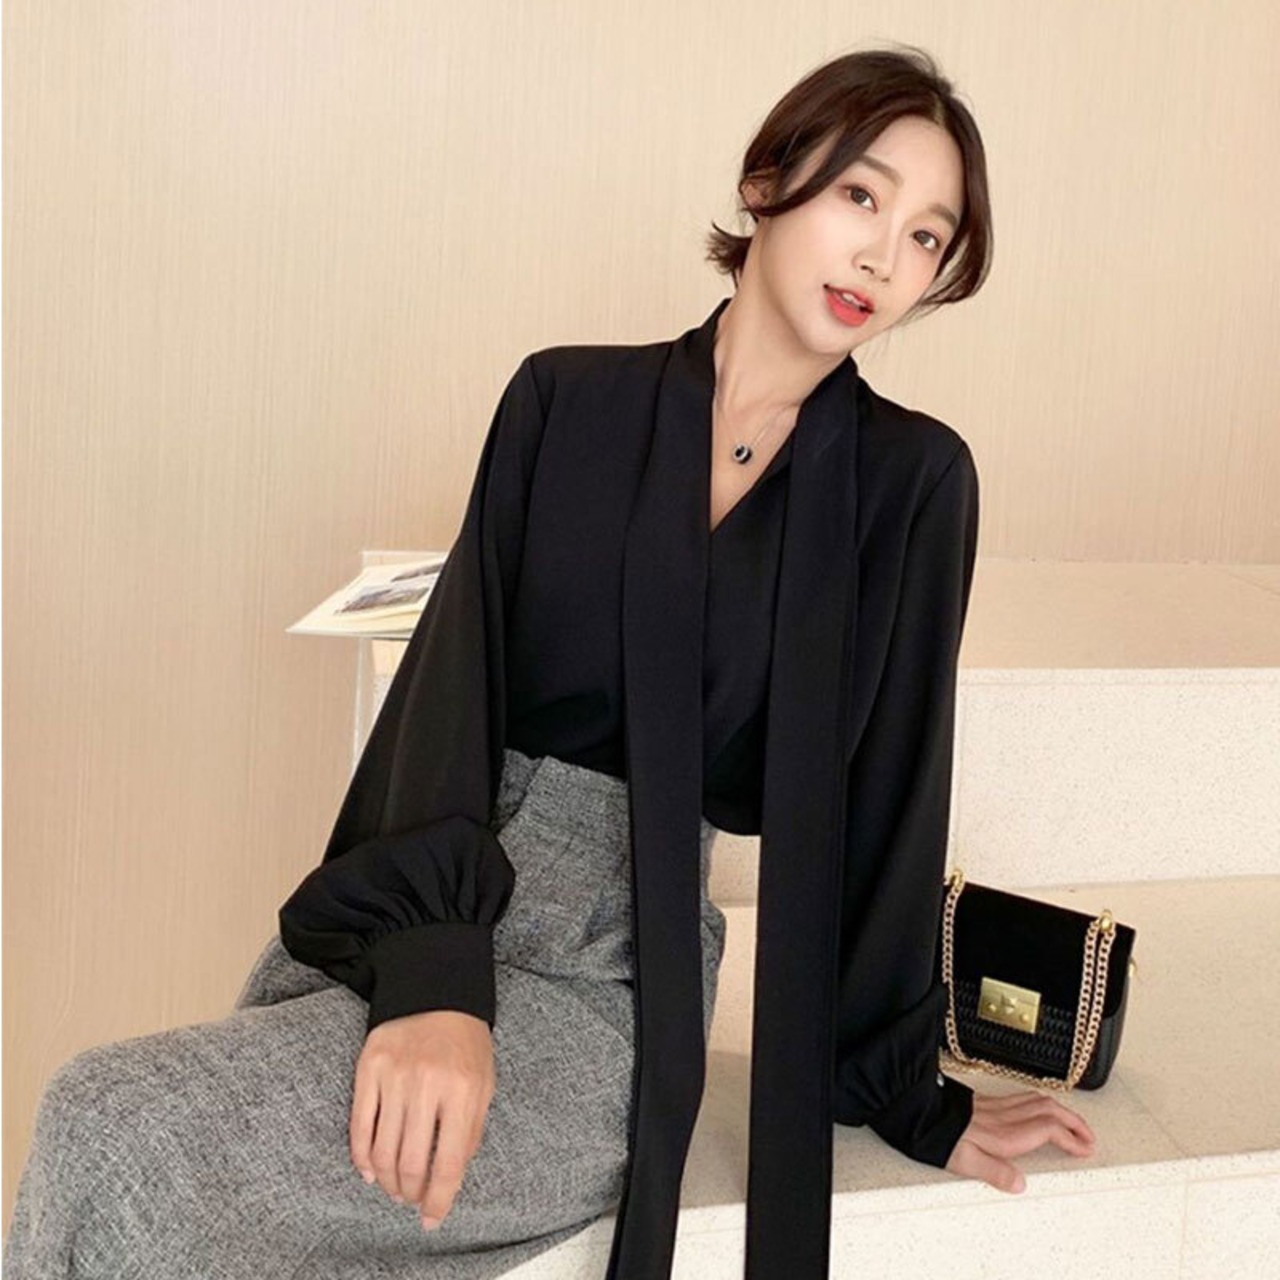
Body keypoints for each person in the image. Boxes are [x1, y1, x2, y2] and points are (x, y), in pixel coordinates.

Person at [4, 43, 1097, 1280]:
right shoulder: (563, 402)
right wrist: (434, 978)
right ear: (766, 182)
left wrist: (909, 1091)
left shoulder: (912, 483)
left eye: (925, 237)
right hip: (446, 900)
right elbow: (448, 702)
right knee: (117, 1131)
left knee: (113, 1130)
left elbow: (891, 791)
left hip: (618, 983)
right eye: (860, 195)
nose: (881, 256)